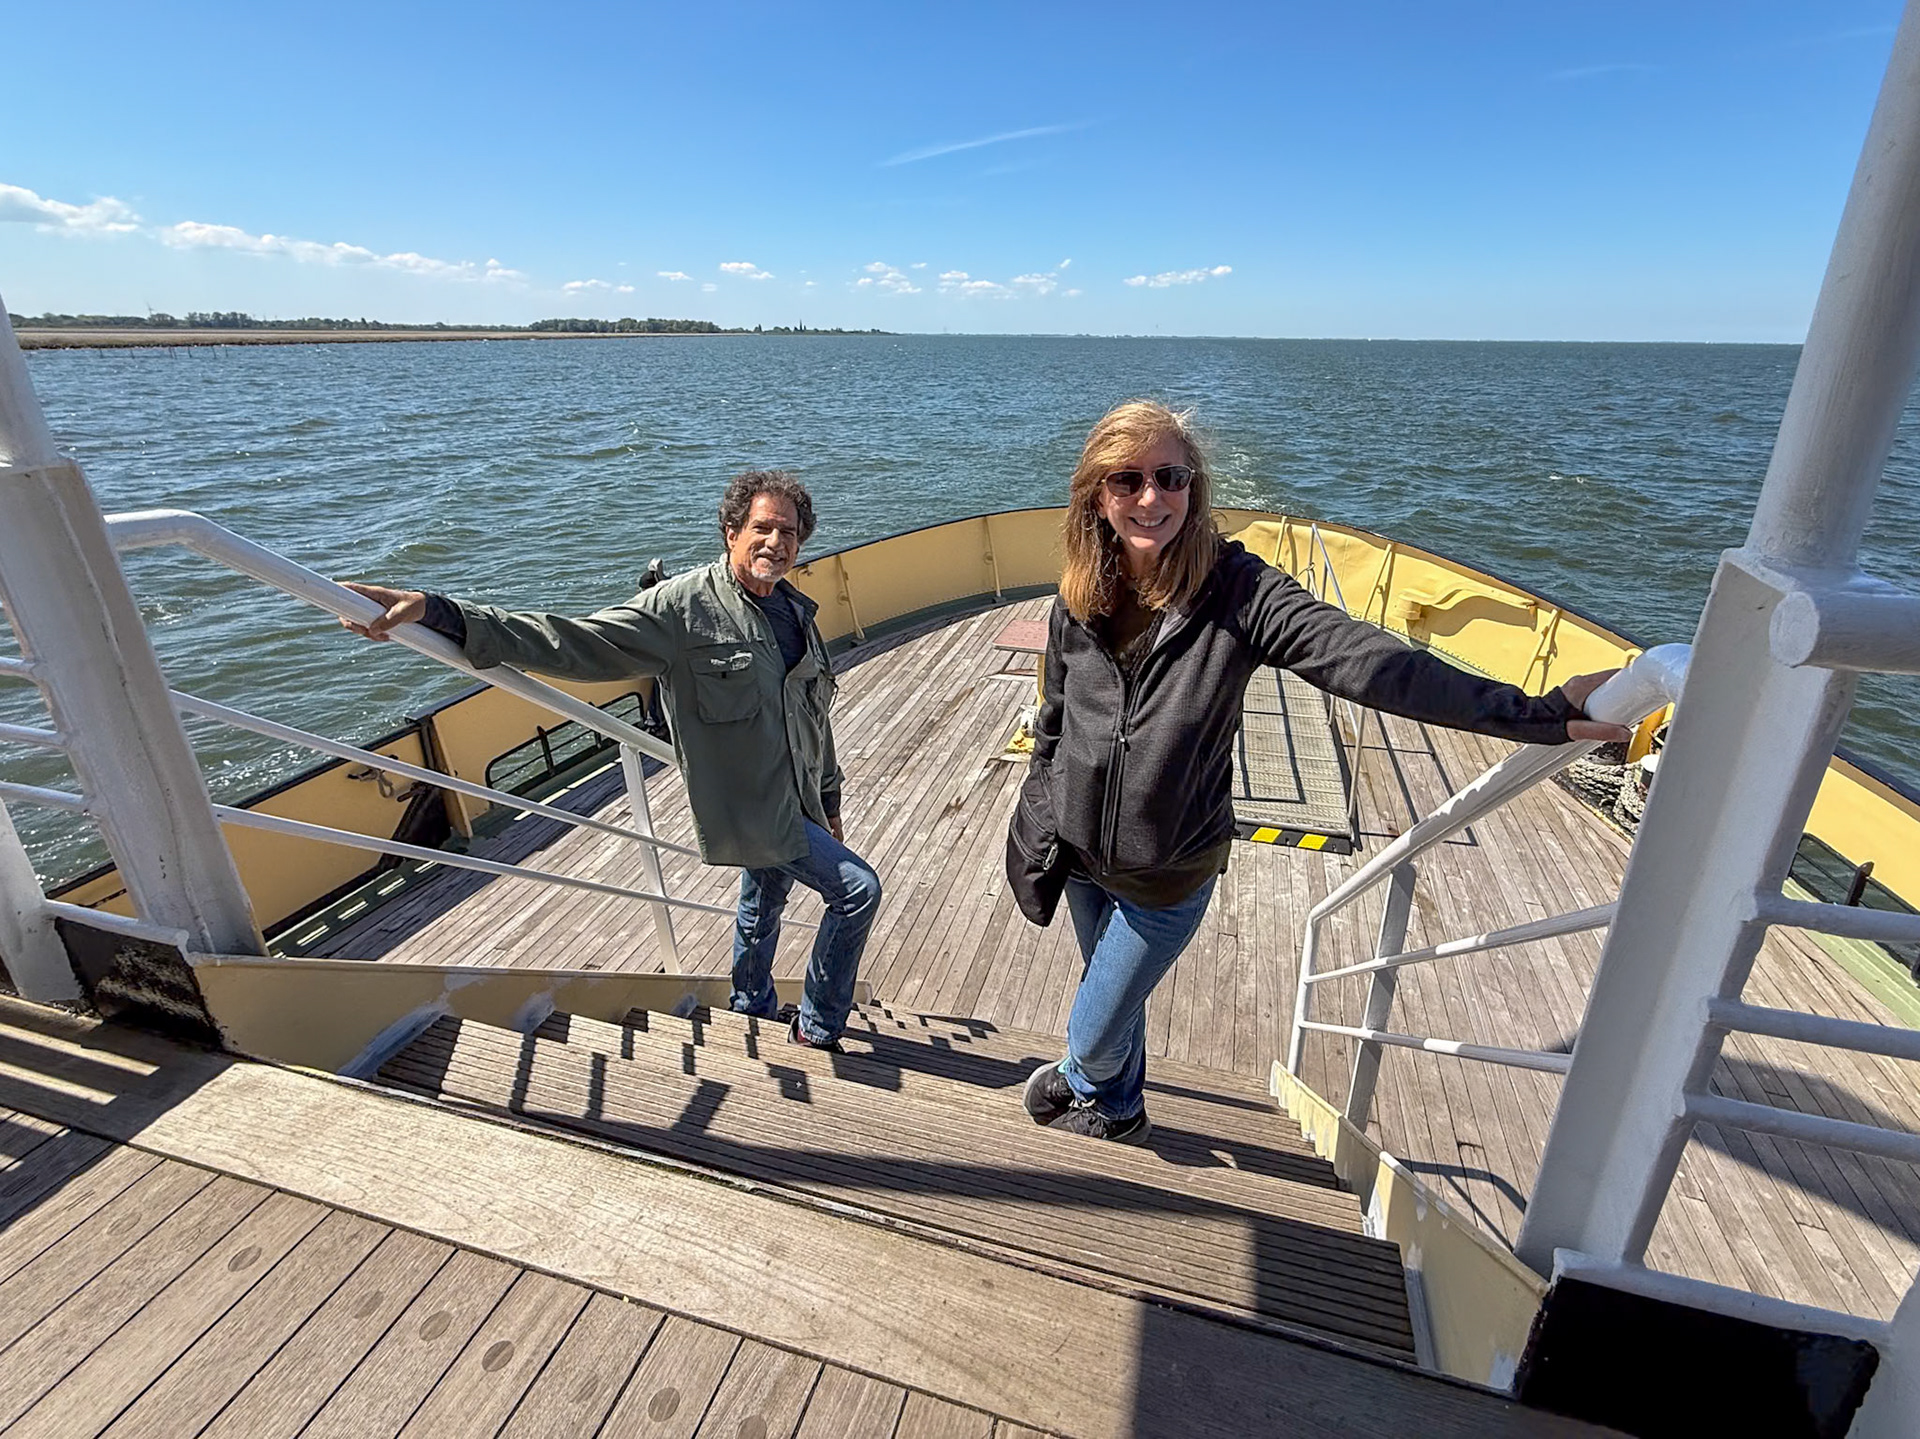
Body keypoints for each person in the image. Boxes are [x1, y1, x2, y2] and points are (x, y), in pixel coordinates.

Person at [1019, 401, 1630, 1144]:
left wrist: (1535, 712)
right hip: (1081, 858)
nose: (1152, 498)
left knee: (1093, 1027)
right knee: (1119, 996)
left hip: (1166, 875)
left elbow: (1370, 663)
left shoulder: (1239, 593)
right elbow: (1054, 720)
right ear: (1097, 495)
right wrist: (1038, 818)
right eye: (1128, 479)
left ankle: (1084, 1078)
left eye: (1170, 476)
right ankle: (1120, 1108)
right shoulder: (1079, 596)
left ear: (1194, 486)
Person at [341, 469, 879, 1051]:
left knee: (765, 896)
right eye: (763, 528)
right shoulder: (681, 610)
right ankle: (817, 1028)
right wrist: (439, 612)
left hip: (797, 795)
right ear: (730, 532)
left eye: (790, 533)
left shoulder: (797, 612)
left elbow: (813, 719)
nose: (777, 543)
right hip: (751, 806)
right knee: (856, 891)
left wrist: (828, 799)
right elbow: (573, 639)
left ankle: (751, 1004)